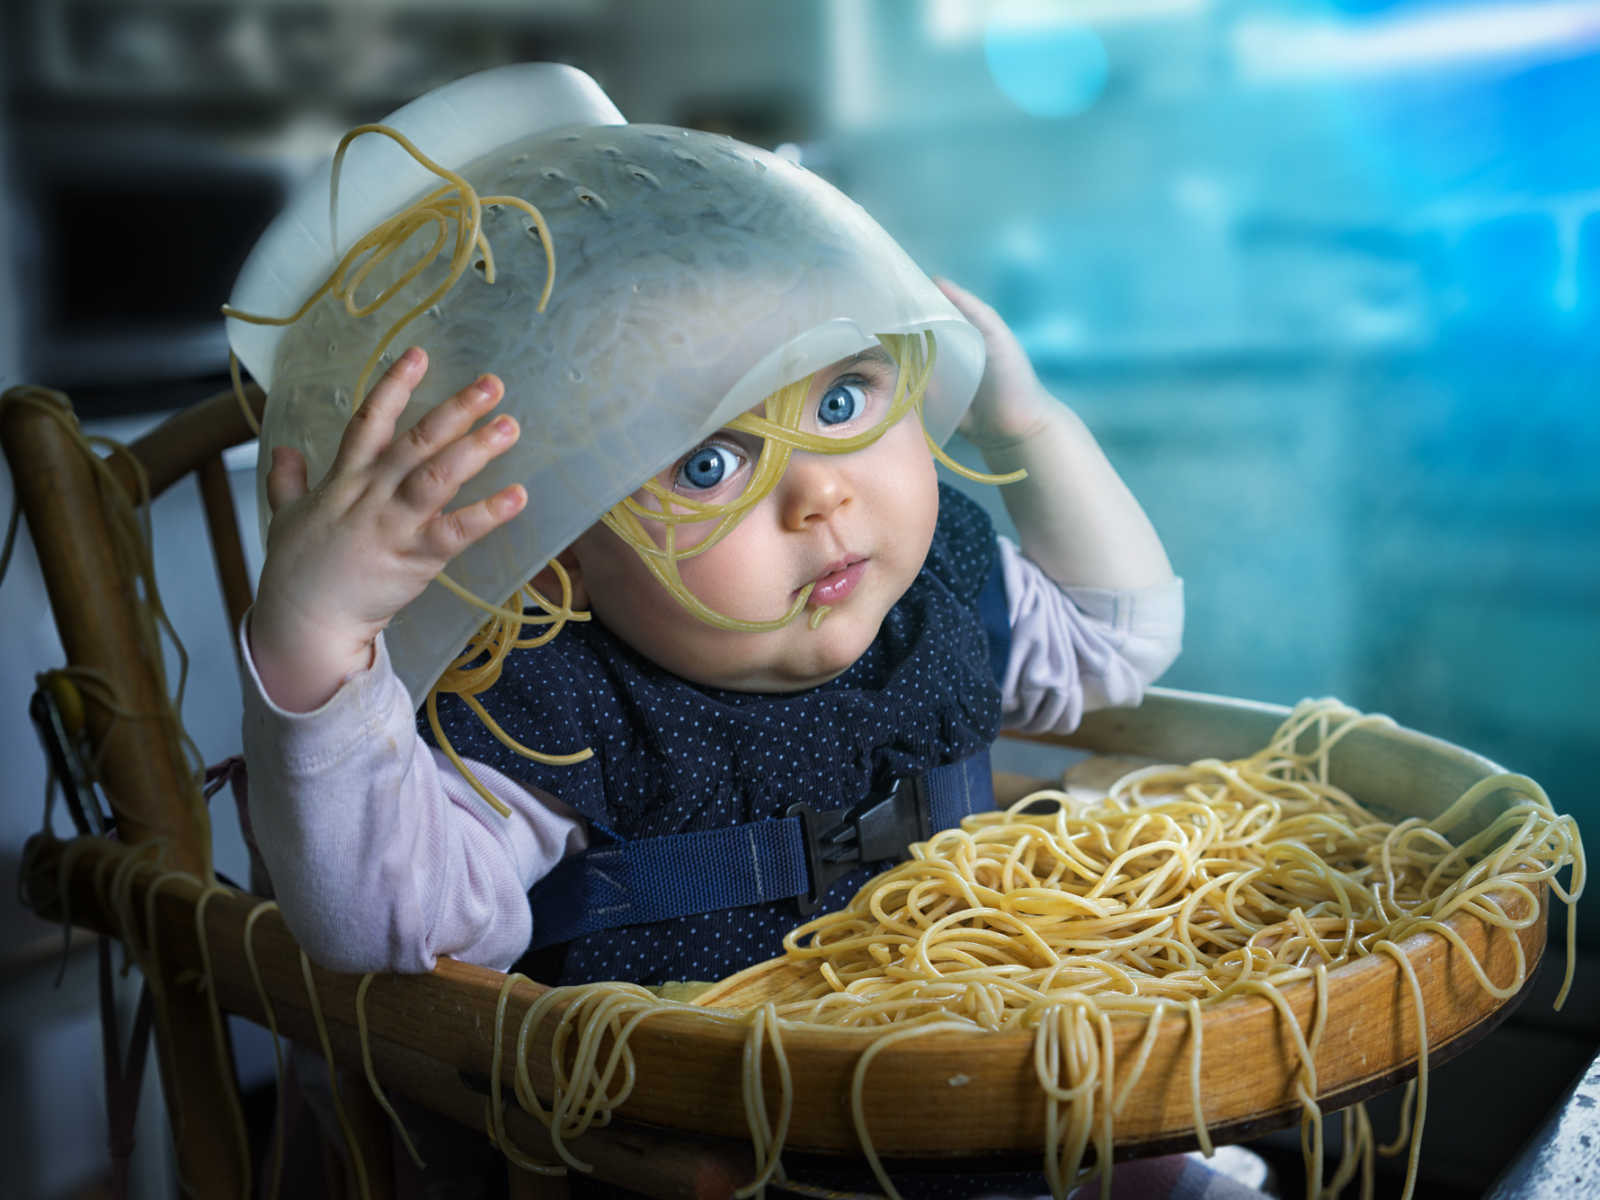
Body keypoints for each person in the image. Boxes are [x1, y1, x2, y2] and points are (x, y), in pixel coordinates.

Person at [227, 60, 1188, 1196]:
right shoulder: (550, 705)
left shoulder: (934, 587)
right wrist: (318, 638)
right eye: (708, 462)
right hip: (707, 1137)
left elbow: (1115, 643)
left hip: (978, 1075)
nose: (819, 497)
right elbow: (386, 923)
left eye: (841, 402)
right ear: (562, 549)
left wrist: (1032, 423)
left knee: (1140, 1137)